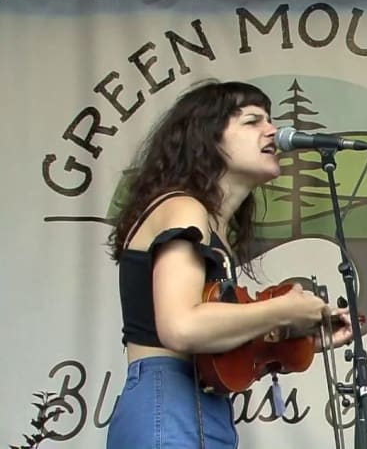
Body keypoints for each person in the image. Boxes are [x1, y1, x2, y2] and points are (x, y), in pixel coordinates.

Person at [105, 79, 353, 448]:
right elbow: (181, 327)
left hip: (198, 409)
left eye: (270, 120)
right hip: (167, 402)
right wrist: (282, 309)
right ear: (207, 138)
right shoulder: (183, 208)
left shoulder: (209, 225)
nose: (272, 130)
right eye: (252, 121)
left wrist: (294, 341)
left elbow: (212, 345)